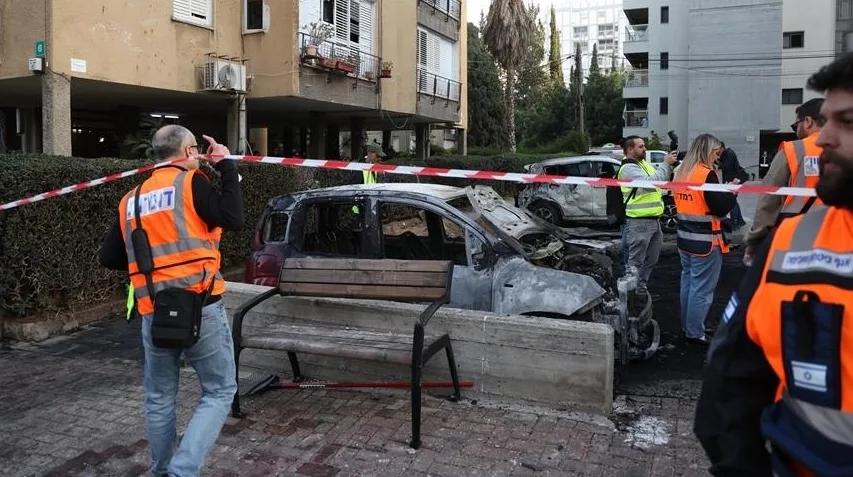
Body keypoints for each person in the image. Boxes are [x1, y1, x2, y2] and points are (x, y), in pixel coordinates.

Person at [693, 53, 853, 477]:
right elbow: (730, 381)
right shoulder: (791, 244)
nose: (823, 139)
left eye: (848, 121)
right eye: (825, 120)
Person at [97, 125, 244, 477]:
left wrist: (151, 264)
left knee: (160, 397)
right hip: (201, 306)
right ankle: (182, 470)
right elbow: (233, 217)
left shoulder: (130, 199)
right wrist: (226, 166)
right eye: (196, 152)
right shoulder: (190, 183)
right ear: (190, 152)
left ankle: (161, 470)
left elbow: (110, 257)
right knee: (220, 390)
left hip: (154, 311)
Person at [672, 134, 739, 345]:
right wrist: (732, 192)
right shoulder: (706, 174)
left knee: (689, 283)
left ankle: (689, 326)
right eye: (716, 152)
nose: (718, 156)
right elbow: (719, 207)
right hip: (706, 241)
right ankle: (695, 332)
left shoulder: (680, 172)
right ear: (709, 151)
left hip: (685, 237)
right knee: (702, 289)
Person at [743, 98, 825, 265]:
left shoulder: (794, 150)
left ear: (808, 121)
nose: (796, 130)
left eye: (796, 125)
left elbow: (768, 202)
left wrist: (754, 242)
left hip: (796, 238)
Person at [617, 135, 678, 296]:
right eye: (641, 146)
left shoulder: (643, 164)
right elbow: (653, 183)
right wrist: (665, 163)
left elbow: (657, 183)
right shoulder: (628, 168)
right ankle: (629, 295)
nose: (645, 149)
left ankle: (640, 289)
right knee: (635, 263)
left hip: (654, 221)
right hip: (639, 222)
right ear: (630, 149)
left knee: (651, 260)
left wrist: (669, 171)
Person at [717, 142, 748, 229]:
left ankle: (734, 222)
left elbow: (725, 166)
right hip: (732, 180)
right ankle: (740, 220)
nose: (716, 151)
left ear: (722, 148)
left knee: (731, 201)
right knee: (733, 200)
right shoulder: (727, 154)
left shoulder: (729, 154)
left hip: (733, 181)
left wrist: (716, 162)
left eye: (717, 149)